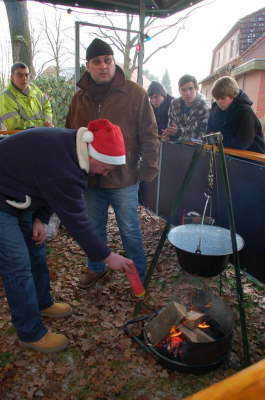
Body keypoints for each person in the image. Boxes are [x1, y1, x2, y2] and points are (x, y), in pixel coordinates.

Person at [0, 119, 133, 353]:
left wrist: (40, 218)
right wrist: (107, 256)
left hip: (19, 194)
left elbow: (44, 184)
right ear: (94, 153)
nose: (107, 172)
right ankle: (30, 333)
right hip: (3, 198)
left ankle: (43, 303)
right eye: (108, 166)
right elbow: (77, 221)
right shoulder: (64, 163)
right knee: (17, 265)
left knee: (36, 250)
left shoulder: (74, 149)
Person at [66, 38, 159, 287]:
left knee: (129, 230)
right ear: (88, 66)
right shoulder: (79, 99)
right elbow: (69, 136)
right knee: (94, 228)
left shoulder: (135, 94)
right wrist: (74, 171)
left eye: (107, 60)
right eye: (97, 62)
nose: (103, 66)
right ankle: (96, 267)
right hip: (90, 179)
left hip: (124, 178)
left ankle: (138, 274)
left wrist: (147, 168)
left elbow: (149, 133)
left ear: (113, 61)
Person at [207, 76, 265, 153]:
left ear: (233, 95)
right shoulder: (215, 109)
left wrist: (217, 139)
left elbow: (242, 143)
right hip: (226, 154)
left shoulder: (245, 111)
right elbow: (209, 134)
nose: (219, 102)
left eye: (223, 98)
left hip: (253, 158)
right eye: (216, 98)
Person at [0, 62, 53, 131]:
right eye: (20, 75)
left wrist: (47, 121)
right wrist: (42, 125)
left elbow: (46, 105)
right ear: (12, 77)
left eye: (26, 75)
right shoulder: (5, 97)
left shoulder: (34, 88)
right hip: (22, 139)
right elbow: (15, 126)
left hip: (43, 133)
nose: (24, 78)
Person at [163, 74, 209, 142]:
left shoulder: (203, 107)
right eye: (183, 90)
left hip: (195, 149)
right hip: (174, 146)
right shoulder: (174, 104)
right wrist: (167, 134)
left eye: (190, 88)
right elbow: (171, 127)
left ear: (196, 89)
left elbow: (199, 136)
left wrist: (178, 132)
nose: (187, 93)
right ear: (179, 91)